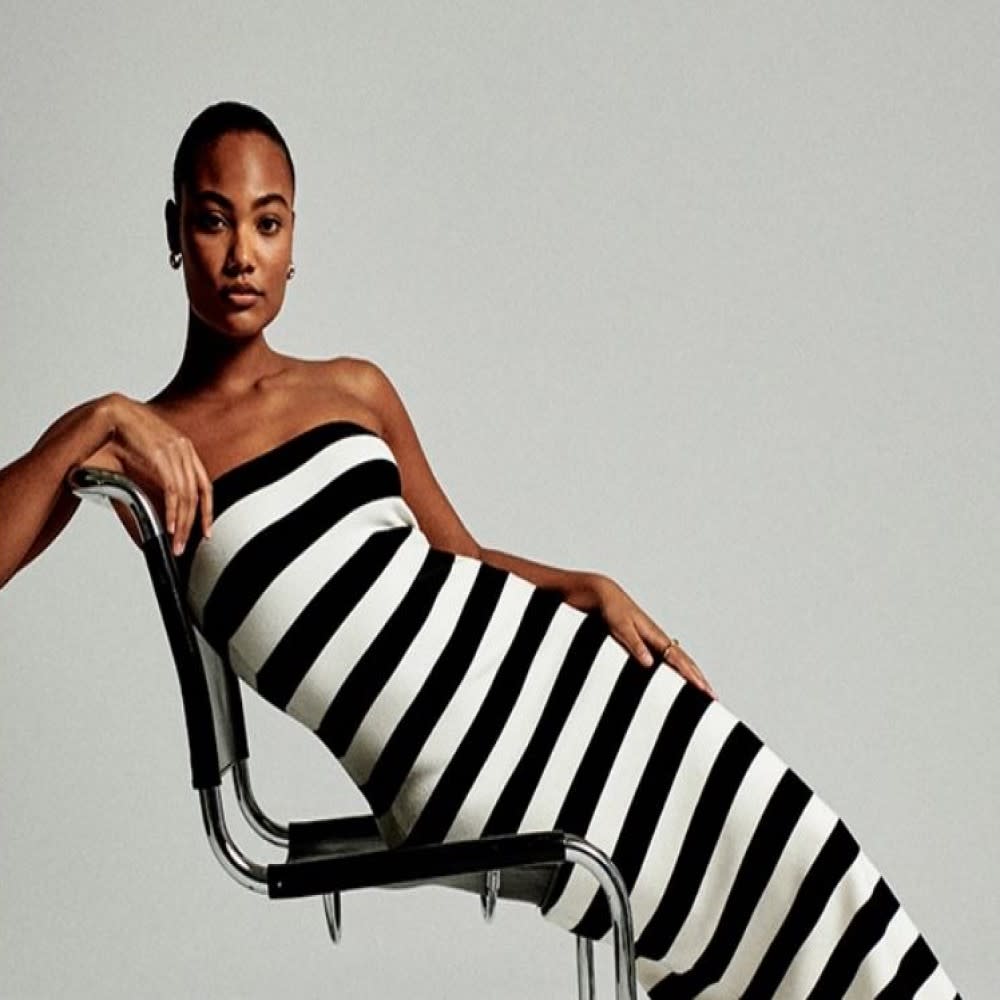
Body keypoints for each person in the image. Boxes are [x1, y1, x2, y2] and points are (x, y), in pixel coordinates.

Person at [0, 102, 962, 999]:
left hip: (555, 674)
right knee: (731, 911)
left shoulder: (354, 388)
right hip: (457, 762)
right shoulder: (143, 456)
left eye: (269, 222)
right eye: (214, 221)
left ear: (296, 244)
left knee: (811, 867)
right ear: (172, 232)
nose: (242, 255)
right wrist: (97, 418)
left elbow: (453, 555)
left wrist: (585, 586)